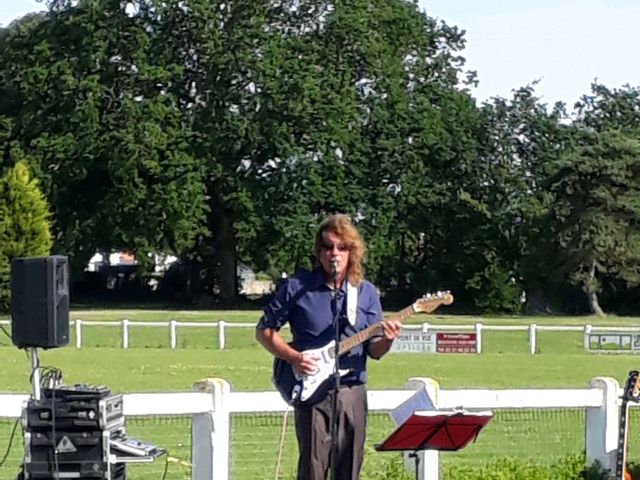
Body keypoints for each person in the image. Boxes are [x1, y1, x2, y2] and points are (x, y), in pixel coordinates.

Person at [255, 213, 401, 480]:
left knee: (349, 469)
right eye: (328, 247)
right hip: (312, 392)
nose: (334, 253)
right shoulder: (297, 287)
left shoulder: (365, 292)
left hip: (352, 391)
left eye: (342, 247)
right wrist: (293, 357)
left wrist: (388, 338)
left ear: (352, 251)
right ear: (319, 251)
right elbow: (264, 331)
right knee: (312, 469)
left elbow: (374, 351)